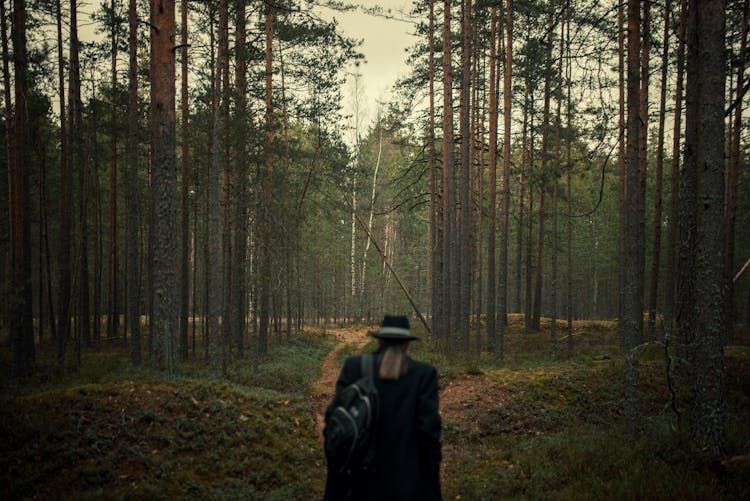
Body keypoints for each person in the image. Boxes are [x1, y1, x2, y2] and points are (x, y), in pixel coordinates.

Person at [323, 315, 442, 500]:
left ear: (379, 340)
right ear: (407, 343)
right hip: (405, 484)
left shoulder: (354, 367)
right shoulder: (423, 375)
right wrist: (431, 480)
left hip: (357, 483)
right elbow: (429, 433)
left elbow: (333, 419)